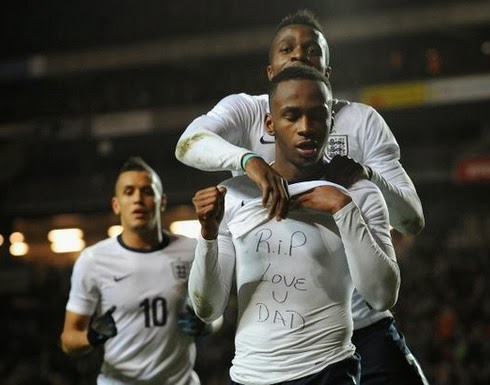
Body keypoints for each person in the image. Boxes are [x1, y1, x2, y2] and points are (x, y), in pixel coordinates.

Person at [176, 9, 428, 385]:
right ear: (270, 73)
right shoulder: (247, 111)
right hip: (280, 339)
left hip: (361, 324)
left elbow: (410, 220)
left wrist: (364, 177)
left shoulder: (361, 120)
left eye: (312, 49)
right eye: (287, 48)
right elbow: (187, 144)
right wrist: (250, 163)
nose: (298, 55)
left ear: (327, 72)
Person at [60, 156, 217, 385]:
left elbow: (217, 310)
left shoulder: (192, 250)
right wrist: (91, 337)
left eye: (146, 191)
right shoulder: (93, 260)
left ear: (161, 201)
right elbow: (68, 341)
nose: (138, 199)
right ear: (116, 204)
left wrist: (207, 324)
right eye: (129, 191)